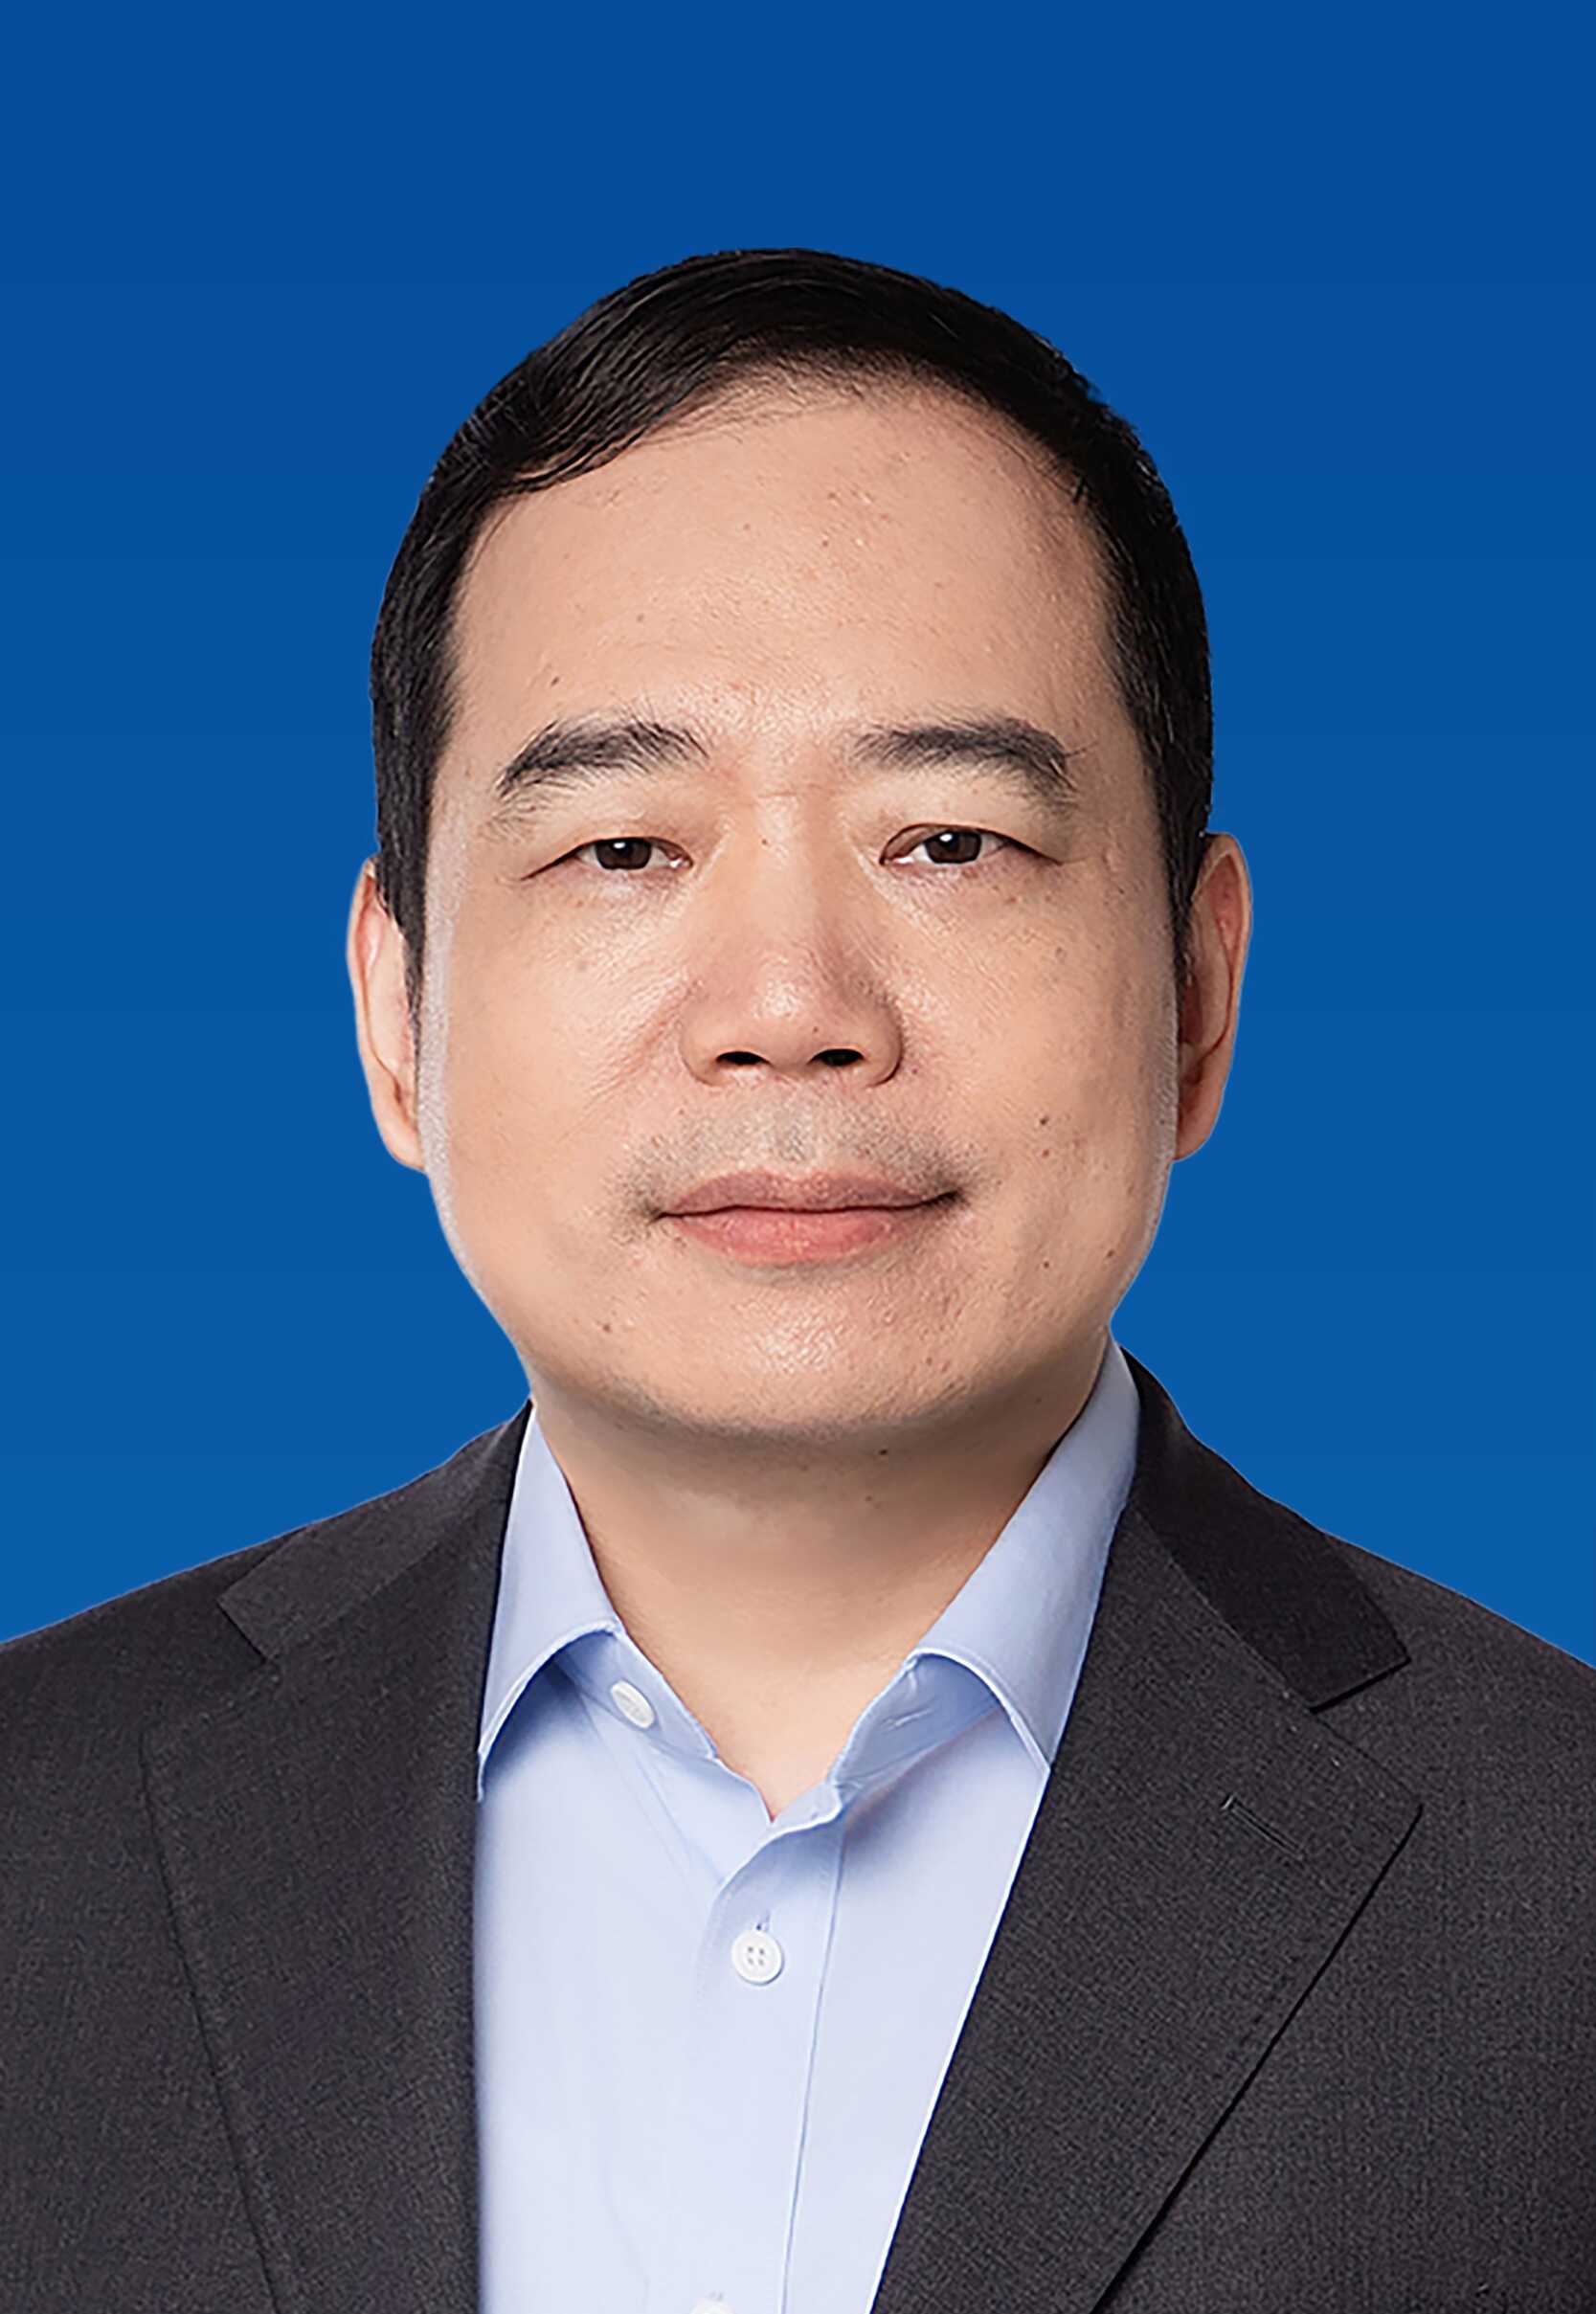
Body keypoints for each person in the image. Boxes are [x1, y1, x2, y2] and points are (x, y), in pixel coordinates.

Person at [2, 248, 1591, 2314]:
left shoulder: (1554, 1886)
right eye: (623, 849)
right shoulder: (35, 1834)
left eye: (949, 842)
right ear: (397, 1015)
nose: (789, 1007)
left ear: (1199, 991)